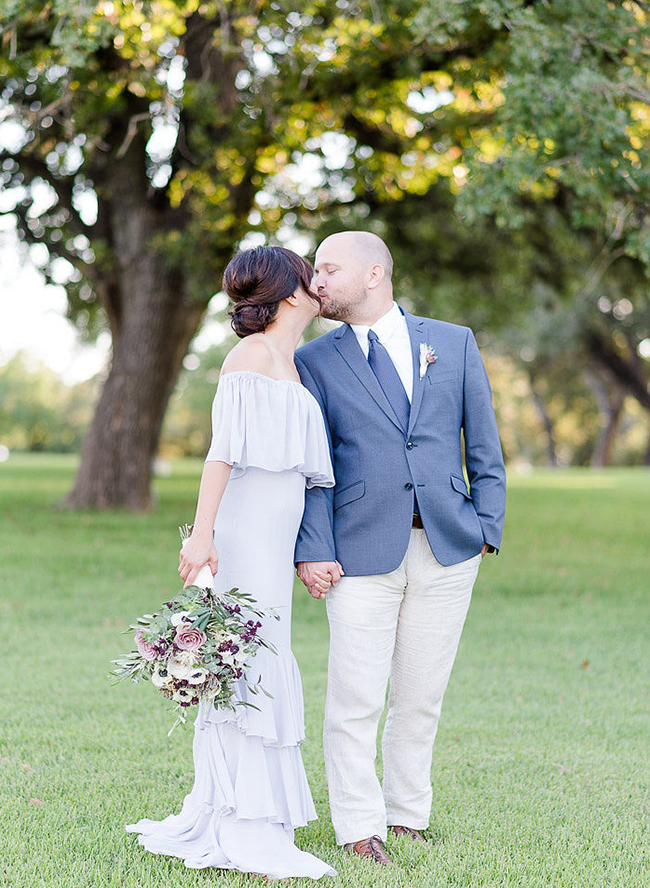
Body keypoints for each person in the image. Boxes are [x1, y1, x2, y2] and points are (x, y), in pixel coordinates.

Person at [295, 231, 506, 867]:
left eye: (328, 268)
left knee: (421, 695)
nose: (316, 280)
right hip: (356, 551)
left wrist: (486, 528)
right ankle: (360, 827)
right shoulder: (316, 360)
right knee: (356, 698)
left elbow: (484, 445)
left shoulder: (453, 342)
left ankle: (408, 815)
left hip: (448, 545)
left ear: (375, 273)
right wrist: (312, 547)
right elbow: (313, 465)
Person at [126, 246, 336, 880]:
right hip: (244, 529)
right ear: (291, 293)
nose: (319, 283)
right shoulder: (250, 357)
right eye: (311, 275)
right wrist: (203, 535)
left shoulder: (291, 362)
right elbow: (223, 454)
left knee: (264, 651)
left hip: (276, 530)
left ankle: (256, 809)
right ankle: (243, 819)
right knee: (249, 656)